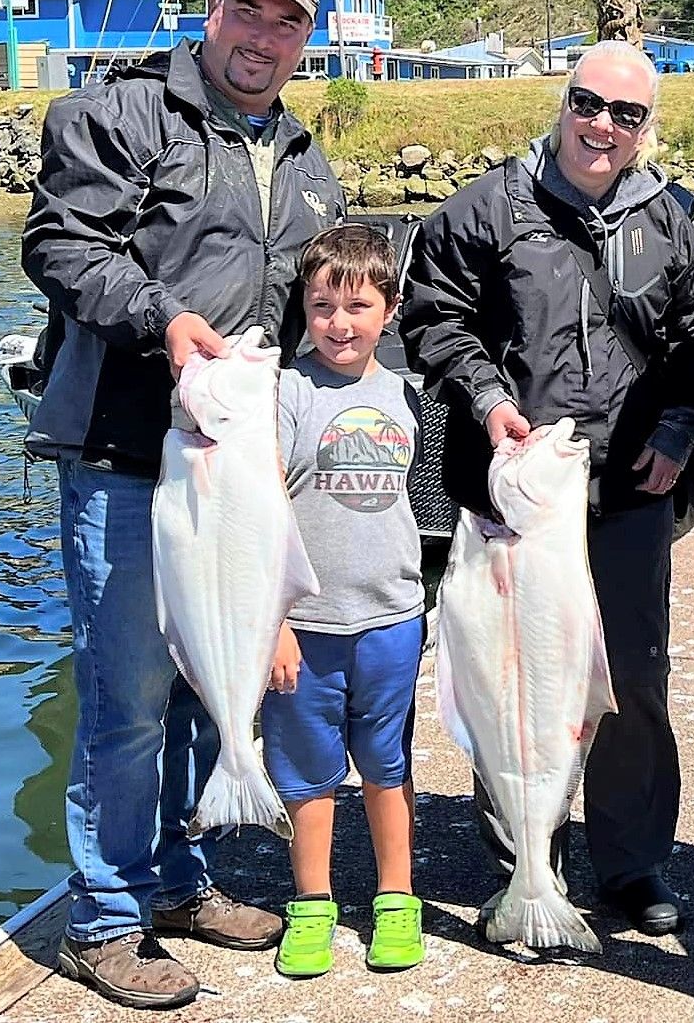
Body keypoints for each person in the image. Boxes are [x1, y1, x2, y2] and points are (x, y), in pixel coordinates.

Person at [20, 0, 347, 1010]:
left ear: (309, 35)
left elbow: (314, 310)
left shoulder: (302, 153)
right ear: (211, 11)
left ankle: (176, 880)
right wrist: (165, 320)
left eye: (288, 21)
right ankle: (105, 915)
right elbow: (63, 246)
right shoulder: (113, 114)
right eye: (248, 13)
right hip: (127, 451)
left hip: (242, 459)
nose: (264, 37)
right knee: (128, 700)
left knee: (217, 682)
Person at [400, 39, 694, 937]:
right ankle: (524, 865)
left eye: (625, 115)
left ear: (646, 127)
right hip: (514, 494)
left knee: (632, 681)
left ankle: (630, 865)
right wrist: (490, 397)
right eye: (588, 103)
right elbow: (433, 318)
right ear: (563, 101)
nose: (602, 126)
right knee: (511, 678)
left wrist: (678, 429)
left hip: (625, 490)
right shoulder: (480, 209)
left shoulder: (671, 218)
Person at [263, 223, 428, 979]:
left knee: (387, 765)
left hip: (392, 616)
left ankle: (396, 899)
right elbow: (260, 511)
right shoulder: (285, 391)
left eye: (357, 305)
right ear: (303, 306)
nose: (339, 322)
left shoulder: (403, 392)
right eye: (322, 304)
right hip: (306, 627)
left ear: (387, 310)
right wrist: (273, 624)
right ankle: (312, 903)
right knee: (307, 775)